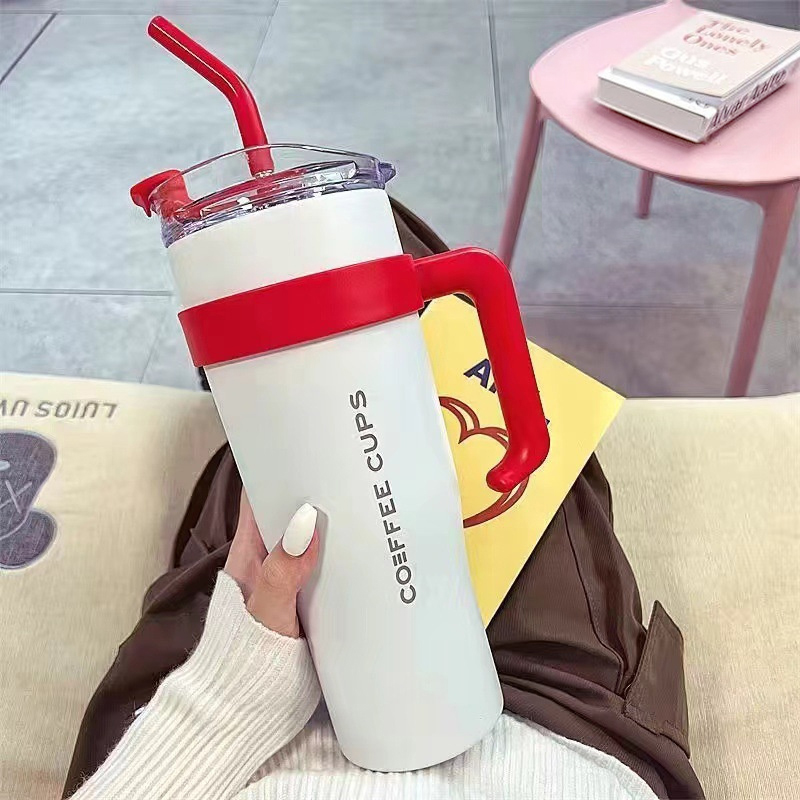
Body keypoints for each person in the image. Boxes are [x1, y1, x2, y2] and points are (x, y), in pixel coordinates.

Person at [70, 489, 660, 800]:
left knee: (283, 384)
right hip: (543, 718)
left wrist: (234, 689)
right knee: (477, 373)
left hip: (230, 735)